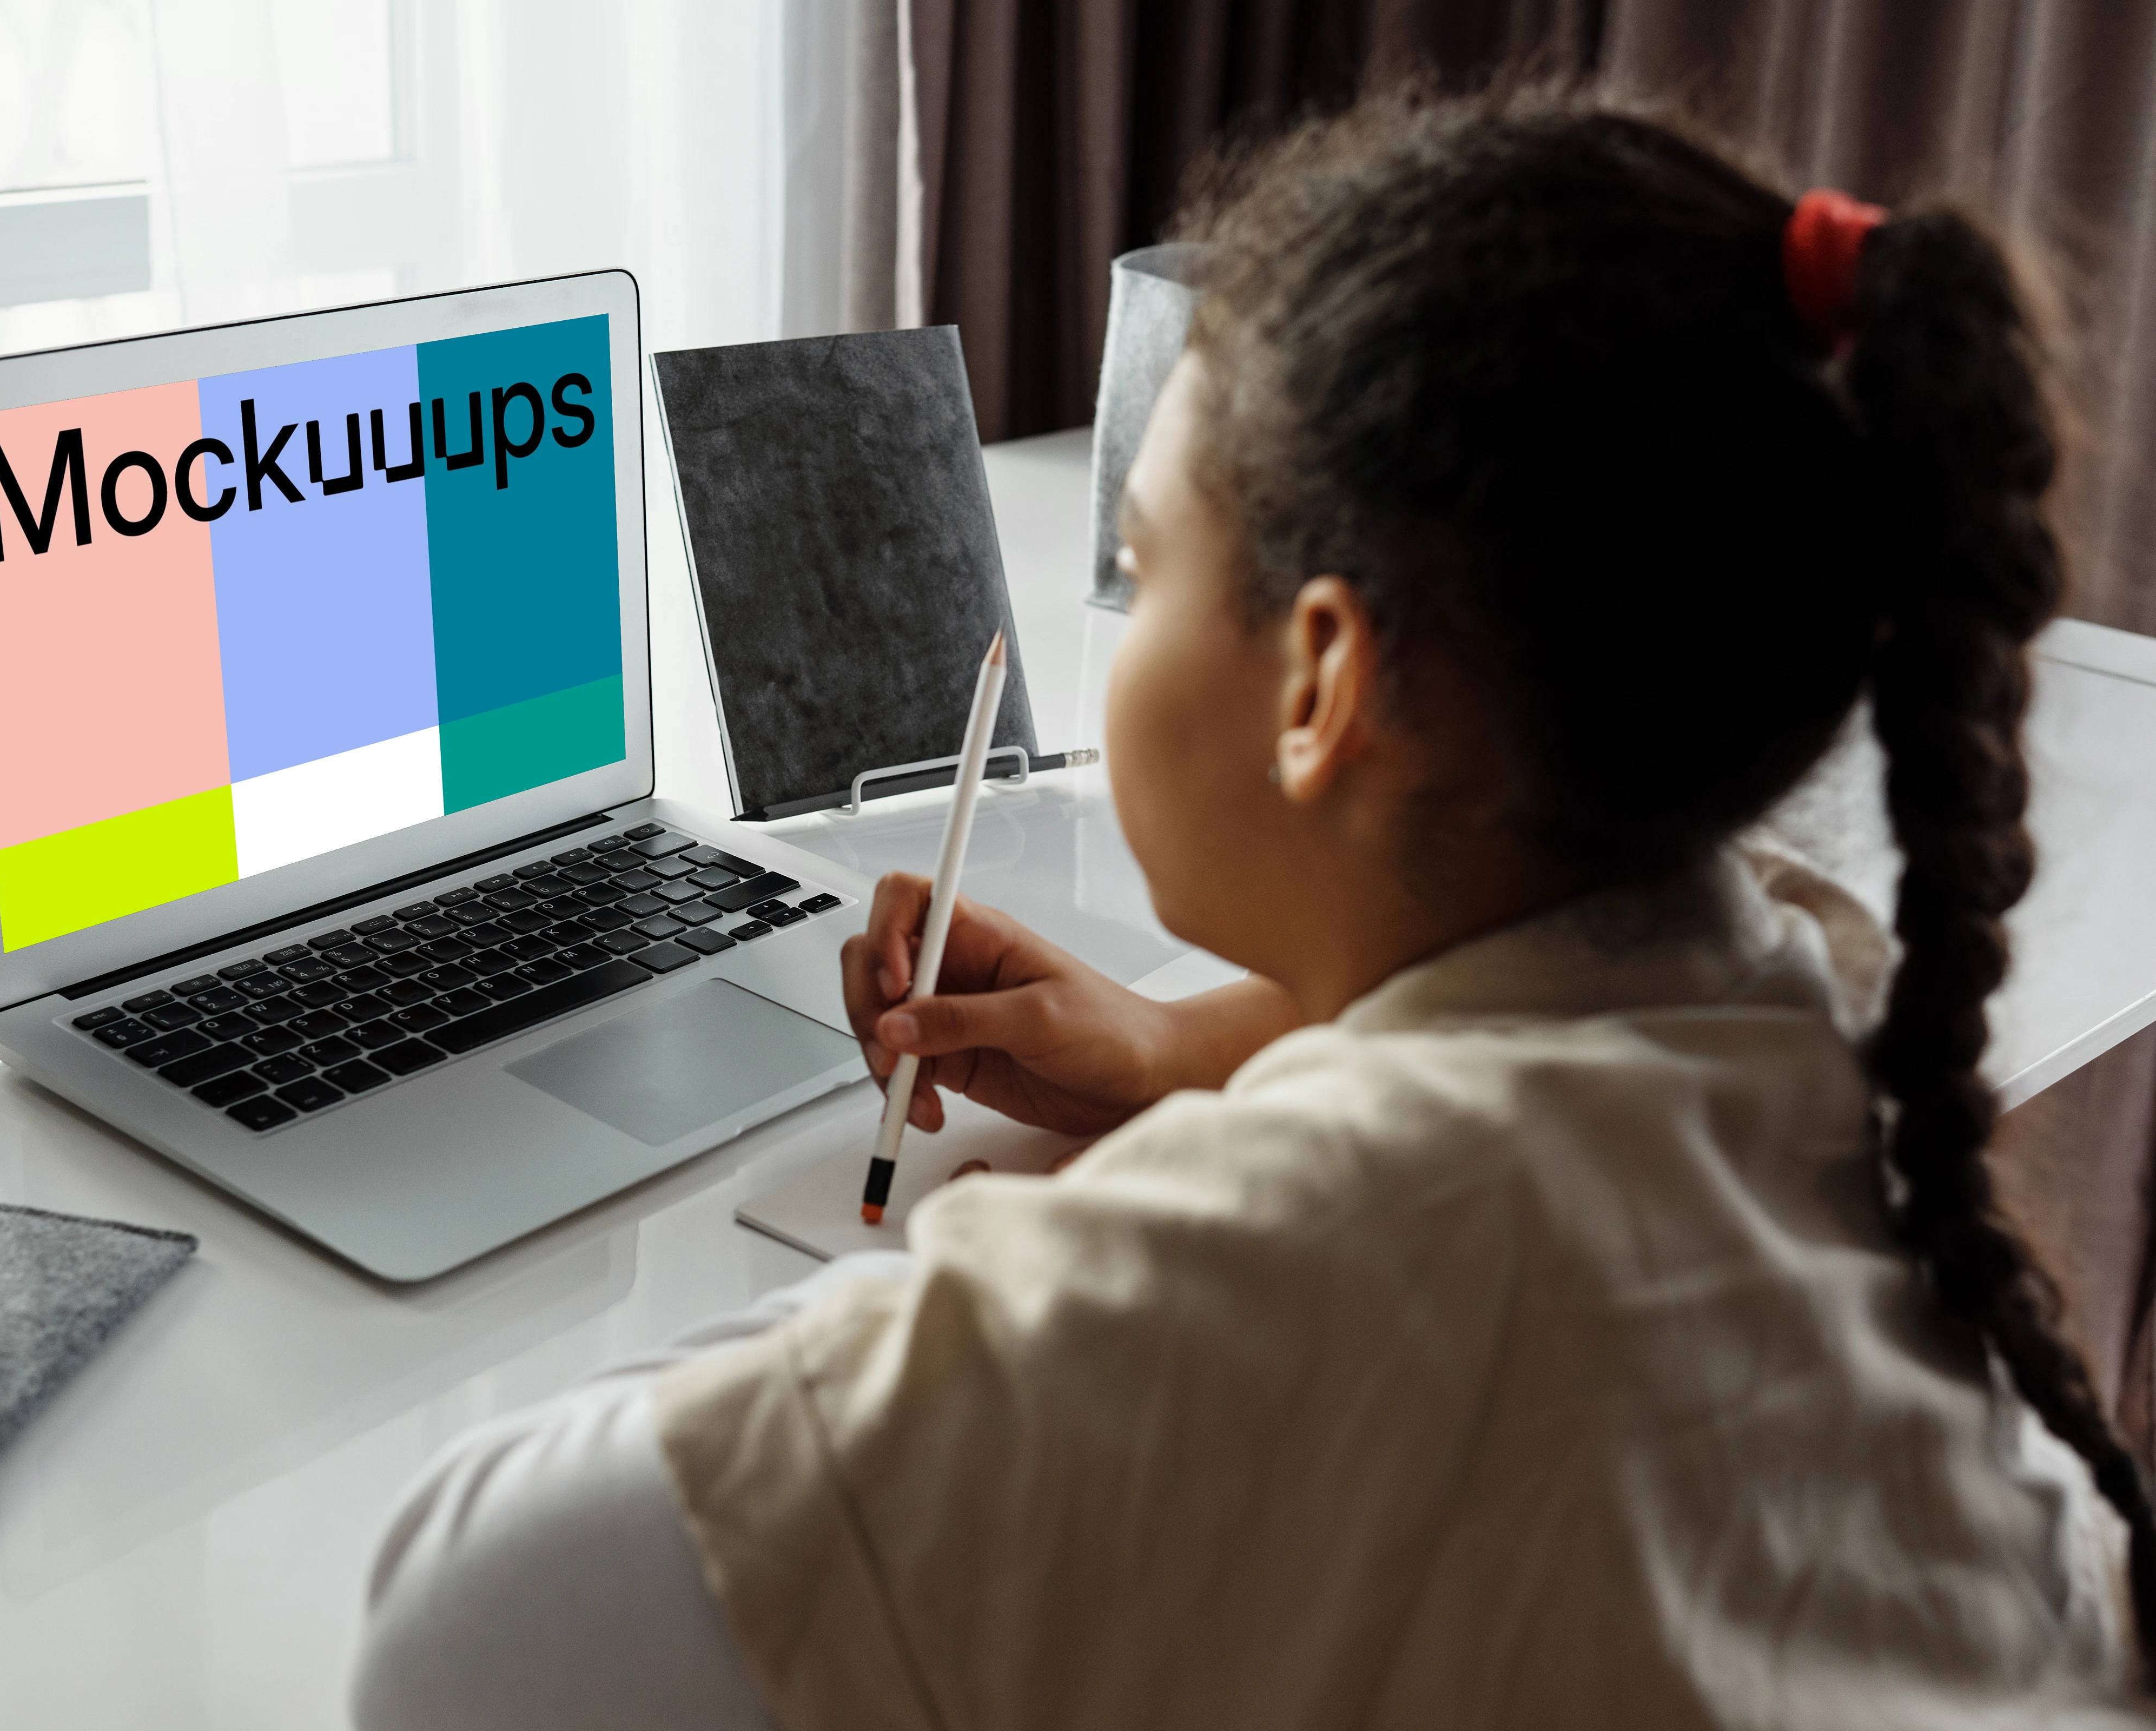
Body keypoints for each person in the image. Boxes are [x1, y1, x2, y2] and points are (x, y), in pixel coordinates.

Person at [353, 87, 2151, 1728]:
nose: (1119, 612)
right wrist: (1171, 1050)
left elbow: (455, 1638)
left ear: (1321, 683)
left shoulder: (1267, 1298)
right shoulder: (1806, 1011)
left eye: (1142, 557)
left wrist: (996, 1281)